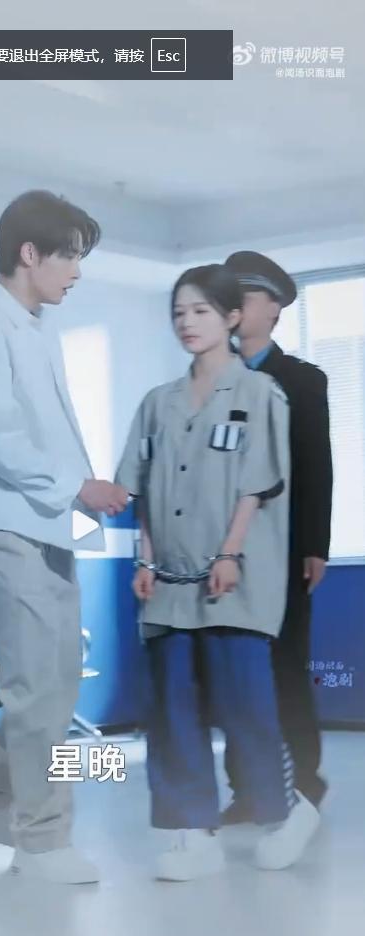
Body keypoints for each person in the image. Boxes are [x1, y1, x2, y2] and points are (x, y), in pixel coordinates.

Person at [0, 190, 129, 884]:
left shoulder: (34, 326)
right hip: (2, 526)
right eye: (69, 256)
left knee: (54, 681)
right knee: (36, 686)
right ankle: (42, 842)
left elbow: (45, 436)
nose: (77, 272)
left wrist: (80, 500)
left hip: (45, 523)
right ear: (29, 253)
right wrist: (79, 487)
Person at [115, 263, 320, 882]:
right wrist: (145, 558)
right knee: (172, 711)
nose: (187, 322)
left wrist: (230, 554)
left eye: (201, 311)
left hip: (236, 578)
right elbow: (143, 488)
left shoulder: (261, 394)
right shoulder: (157, 403)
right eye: (178, 312)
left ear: (231, 317)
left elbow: (256, 484)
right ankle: (192, 833)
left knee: (244, 704)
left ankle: (286, 813)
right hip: (168, 583)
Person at [222, 251, 333, 820]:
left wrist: (316, 545)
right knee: (235, 674)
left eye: (246, 297)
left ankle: (303, 784)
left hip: (285, 549)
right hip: (226, 554)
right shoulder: (210, 380)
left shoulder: (302, 380)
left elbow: (316, 467)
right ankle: (246, 789)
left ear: (274, 310)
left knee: (285, 668)